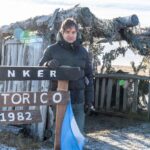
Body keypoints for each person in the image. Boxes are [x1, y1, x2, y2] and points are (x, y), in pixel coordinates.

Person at [39, 18, 94, 133]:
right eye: (67, 32)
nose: (70, 35)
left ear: (77, 33)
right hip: (59, 99)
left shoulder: (83, 52)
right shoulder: (52, 50)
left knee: (77, 134)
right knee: (61, 133)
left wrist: (89, 100)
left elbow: (89, 76)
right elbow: (40, 69)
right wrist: (47, 64)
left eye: (73, 32)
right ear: (62, 32)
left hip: (78, 100)